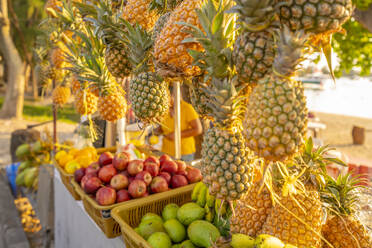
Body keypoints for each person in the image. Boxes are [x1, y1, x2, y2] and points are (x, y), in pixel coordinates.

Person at [156, 86, 202, 162]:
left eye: (166, 97)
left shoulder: (187, 108)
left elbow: (198, 129)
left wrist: (177, 135)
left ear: (173, 95)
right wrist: (157, 131)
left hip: (184, 152)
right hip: (166, 151)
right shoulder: (164, 109)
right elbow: (163, 127)